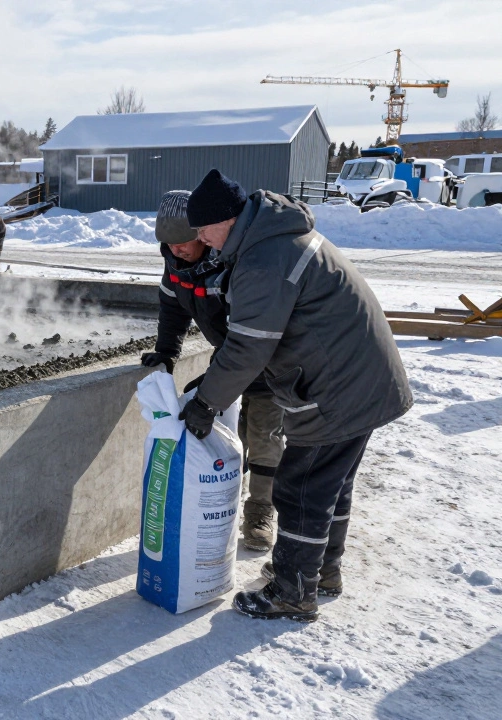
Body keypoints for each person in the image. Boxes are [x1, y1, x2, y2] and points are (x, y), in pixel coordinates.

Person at [177, 169, 412, 622]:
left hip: (339, 389)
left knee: (302, 488)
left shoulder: (266, 258)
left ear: (227, 219)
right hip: (361, 381)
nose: (201, 239)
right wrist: (211, 383)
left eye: (204, 228)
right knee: (330, 485)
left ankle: (292, 591)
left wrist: (207, 402)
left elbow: (248, 345)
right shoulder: (273, 238)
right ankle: (320, 572)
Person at [140, 190, 285, 552]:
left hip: (269, 359)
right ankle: (223, 501)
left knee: (264, 435)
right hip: (230, 357)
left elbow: (249, 337)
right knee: (229, 435)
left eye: (183, 242)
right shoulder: (175, 262)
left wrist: (213, 382)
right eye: (167, 243)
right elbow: (172, 309)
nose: (176, 250)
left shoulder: (233, 262)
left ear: (204, 233)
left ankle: (260, 510)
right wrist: (166, 353)